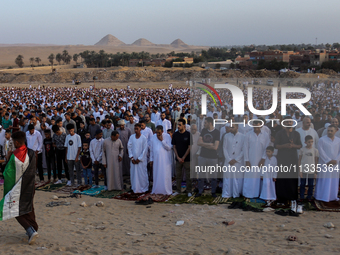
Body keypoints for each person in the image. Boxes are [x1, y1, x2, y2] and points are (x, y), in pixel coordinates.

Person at [0, 131, 38, 244]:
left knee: (14, 209)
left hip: (18, 187)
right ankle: (34, 227)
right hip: (30, 186)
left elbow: (8, 173)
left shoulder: (14, 155)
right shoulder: (31, 153)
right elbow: (32, 170)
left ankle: (30, 230)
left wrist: (7, 158)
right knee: (29, 207)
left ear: (16, 142)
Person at [275, 117, 302, 212]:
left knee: (292, 177)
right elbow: (276, 145)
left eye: (290, 121)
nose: (289, 123)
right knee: (282, 177)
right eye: (287, 122)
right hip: (282, 158)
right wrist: (284, 146)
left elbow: (300, 145)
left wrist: (293, 146)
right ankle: (281, 198)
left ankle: (292, 197)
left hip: (292, 158)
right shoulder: (279, 133)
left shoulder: (296, 133)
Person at [315, 125, 340, 202]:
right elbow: (321, 151)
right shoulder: (322, 140)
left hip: (335, 164)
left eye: (331, 131)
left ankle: (332, 196)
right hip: (325, 164)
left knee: (334, 180)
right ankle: (322, 196)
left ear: (336, 131)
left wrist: (336, 160)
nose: (329, 132)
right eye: (328, 130)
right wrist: (328, 160)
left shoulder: (338, 140)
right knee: (324, 180)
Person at [197, 117, 220, 197]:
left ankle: (213, 192)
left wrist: (204, 144)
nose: (204, 124)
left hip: (213, 157)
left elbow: (215, 147)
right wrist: (209, 144)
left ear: (210, 123)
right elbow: (198, 143)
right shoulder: (203, 130)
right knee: (201, 175)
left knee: (213, 176)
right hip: (202, 156)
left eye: (205, 123)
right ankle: (200, 191)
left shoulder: (217, 132)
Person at [222, 124, 245, 198]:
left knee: (237, 178)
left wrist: (236, 159)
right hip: (228, 161)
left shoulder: (242, 136)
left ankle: (237, 193)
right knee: (228, 177)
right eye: (230, 127)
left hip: (238, 161)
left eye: (233, 127)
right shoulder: (226, 136)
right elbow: (224, 148)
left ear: (237, 127)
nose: (231, 129)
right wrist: (229, 159)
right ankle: (227, 193)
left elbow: (243, 150)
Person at [172, 119, 192, 197]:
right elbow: (174, 147)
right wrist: (178, 157)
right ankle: (178, 190)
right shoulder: (175, 135)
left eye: (180, 125)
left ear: (184, 125)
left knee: (188, 176)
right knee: (178, 176)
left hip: (187, 159)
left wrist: (183, 157)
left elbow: (189, 147)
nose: (178, 126)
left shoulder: (188, 135)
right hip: (178, 159)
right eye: (178, 125)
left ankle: (189, 190)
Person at [150, 126, 173, 195]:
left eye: (159, 133)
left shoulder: (167, 136)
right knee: (156, 174)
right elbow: (151, 149)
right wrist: (151, 159)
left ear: (162, 131)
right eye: (156, 132)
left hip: (165, 160)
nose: (157, 134)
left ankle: (166, 190)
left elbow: (169, 148)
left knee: (165, 175)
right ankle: (156, 190)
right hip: (156, 160)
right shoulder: (153, 137)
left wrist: (162, 141)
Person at [128, 124, 148, 193]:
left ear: (140, 129)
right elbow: (129, 147)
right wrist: (132, 157)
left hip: (141, 161)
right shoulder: (131, 137)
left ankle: (143, 188)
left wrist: (139, 158)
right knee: (134, 174)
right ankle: (134, 188)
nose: (136, 130)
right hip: (133, 160)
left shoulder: (144, 138)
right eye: (135, 129)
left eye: (137, 129)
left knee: (142, 174)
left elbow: (145, 150)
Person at [298, 135, 318, 203]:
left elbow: (316, 161)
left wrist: (316, 171)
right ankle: (302, 197)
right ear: (305, 142)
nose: (310, 143)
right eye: (309, 142)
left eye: (312, 142)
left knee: (311, 184)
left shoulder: (315, 150)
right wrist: (300, 170)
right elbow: (299, 160)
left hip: (311, 170)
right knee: (302, 184)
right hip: (303, 170)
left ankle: (309, 197)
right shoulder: (302, 150)